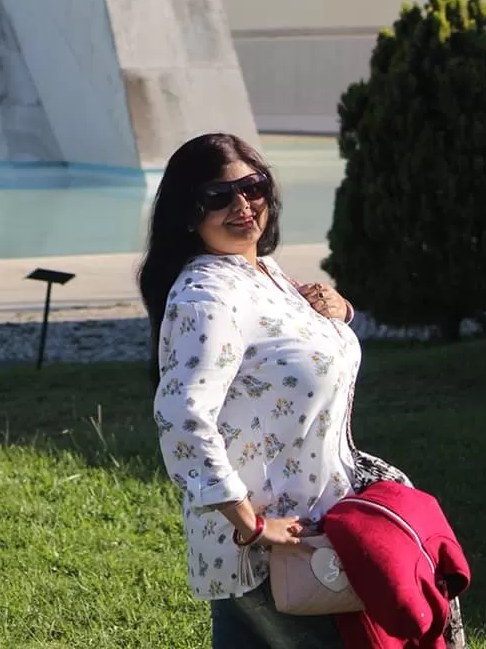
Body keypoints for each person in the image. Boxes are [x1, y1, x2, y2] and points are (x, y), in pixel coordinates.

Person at [139, 132, 362, 649]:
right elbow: (181, 417)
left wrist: (339, 312)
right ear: (189, 215)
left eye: (253, 186)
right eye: (219, 196)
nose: (243, 205)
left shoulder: (261, 272)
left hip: (302, 535)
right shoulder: (207, 295)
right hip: (276, 551)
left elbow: (293, 352)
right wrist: (252, 524)